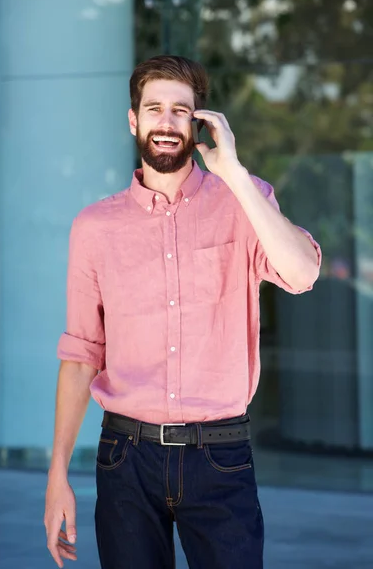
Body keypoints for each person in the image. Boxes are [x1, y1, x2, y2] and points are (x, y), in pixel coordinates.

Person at [44, 55, 321, 569]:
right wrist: (57, 474)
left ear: (198, 122)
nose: (166, 123)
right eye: (154, 110)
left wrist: (235, 174)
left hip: (220, 455)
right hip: (125, 457)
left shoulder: (243, 199)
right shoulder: (94, 228)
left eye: (180, 111)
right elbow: (82, 353)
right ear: (134, 120)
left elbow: (303, 275)